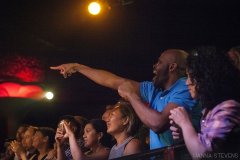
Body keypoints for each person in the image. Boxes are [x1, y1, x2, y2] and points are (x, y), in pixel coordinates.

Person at [50, 49, 199, 149]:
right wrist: (78, 67)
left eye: (159, 62)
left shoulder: (184, 87)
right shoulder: (154, 89)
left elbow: (158, 124)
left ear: (172, 67)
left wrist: (132, 97)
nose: (154, 67)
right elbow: (113, 81)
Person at [169, 47, 240, 158]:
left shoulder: (228, 107)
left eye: (191, 77)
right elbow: (206, 143)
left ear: (206, 77)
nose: (187, 82)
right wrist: (186, 133)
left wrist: (185, 124)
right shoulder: (210, 109)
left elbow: (202, 155)